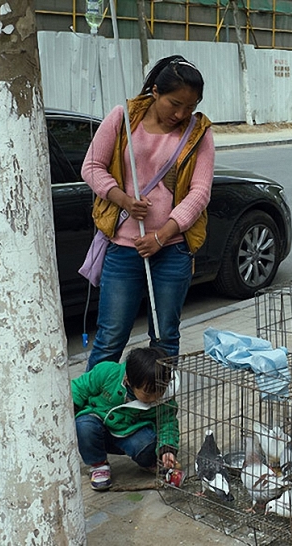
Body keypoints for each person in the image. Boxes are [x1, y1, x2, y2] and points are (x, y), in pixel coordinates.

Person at [82, 55, 215, 372]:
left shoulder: (199, 133)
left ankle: (159, 411)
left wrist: (162, 235)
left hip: (172, 249)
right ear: (155, 91)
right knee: (111, 338)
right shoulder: (122, 118)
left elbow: (200, 192)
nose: (181, 114)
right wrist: (123, 199)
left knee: (165, 338)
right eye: (175, 103)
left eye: (190, 106)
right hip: (123, 247)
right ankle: (91, 411)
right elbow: (91, 167)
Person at [72, 347, 179, 491]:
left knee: (149, 446)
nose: (154, 398)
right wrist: (69, 409)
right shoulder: (107, 372)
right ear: (128, 380)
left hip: (131, 433)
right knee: (84, 425)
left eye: (161, 390)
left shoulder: (165, 400)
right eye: (147, 394)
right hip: (99, 427)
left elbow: (168, 425)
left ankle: (150, 462)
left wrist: (167, 449)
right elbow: (79, 388)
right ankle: (99, 465)